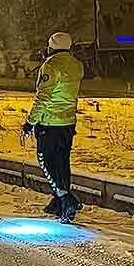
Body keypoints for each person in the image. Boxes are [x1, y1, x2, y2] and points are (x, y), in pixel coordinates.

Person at [22, 32, 84, 223]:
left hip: (49, 123)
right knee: (62, 162)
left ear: (51, 47)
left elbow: (43, 97)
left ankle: (66, 200)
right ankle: (58, 201)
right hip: (68, 122)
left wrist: (30, 122)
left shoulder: (50, 66)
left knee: (46, 162)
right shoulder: (76, 65)